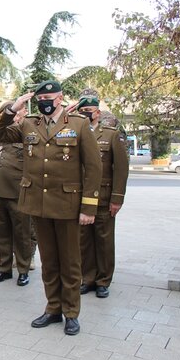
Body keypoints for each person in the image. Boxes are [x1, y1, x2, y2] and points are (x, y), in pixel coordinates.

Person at [0, 80, 102, 336]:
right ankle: (53, 308)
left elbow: (94, 169)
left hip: (68, 205)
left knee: (70, 263)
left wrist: (89, 208)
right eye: (40, 98)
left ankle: (71, 312)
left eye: (50, 96)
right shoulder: (29, 123)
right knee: (49, 262)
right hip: (38, 204)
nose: (45, 101)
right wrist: (11, 109)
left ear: (60, 98)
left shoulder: (79, 125)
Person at [75, 95, 129, 299]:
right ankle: (87, 278)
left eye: (90, 110)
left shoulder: (111, 135)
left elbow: (121, 169)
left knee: (104, 240)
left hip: (104, 197)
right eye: (83, 111)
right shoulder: (75, 134)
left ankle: (103, 280)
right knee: (84, 241)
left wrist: (117, 198)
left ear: (98, 112)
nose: (87, 114)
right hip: (80, 197)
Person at [0, 103, 34, 287]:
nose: (19, 115)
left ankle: (23, 270)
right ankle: (4, 268)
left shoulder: (24, 132)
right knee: (1, 233)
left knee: (21, 234)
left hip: (17, 192)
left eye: (20, 112)